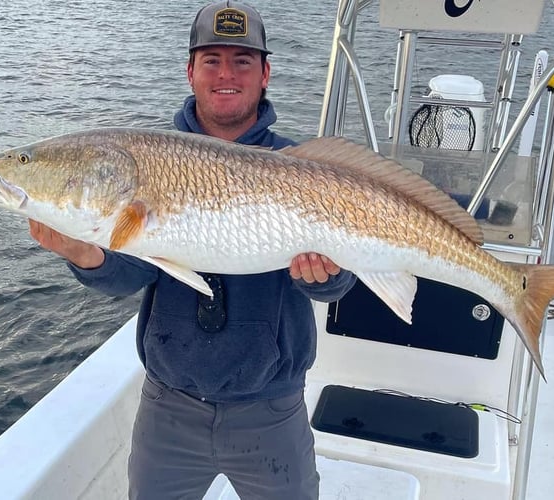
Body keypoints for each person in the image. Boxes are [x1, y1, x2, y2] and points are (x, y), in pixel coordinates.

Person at [29, 1, 356, 498]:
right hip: (168, 409)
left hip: (272, 410)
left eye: (242, 61)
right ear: (190, 72)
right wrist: (84, 254)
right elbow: (131, 272)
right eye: (212, 60)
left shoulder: (301, 165)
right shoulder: (150, 162)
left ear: (265, 73)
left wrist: (325, 276)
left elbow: (343, 278)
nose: (226, 74)